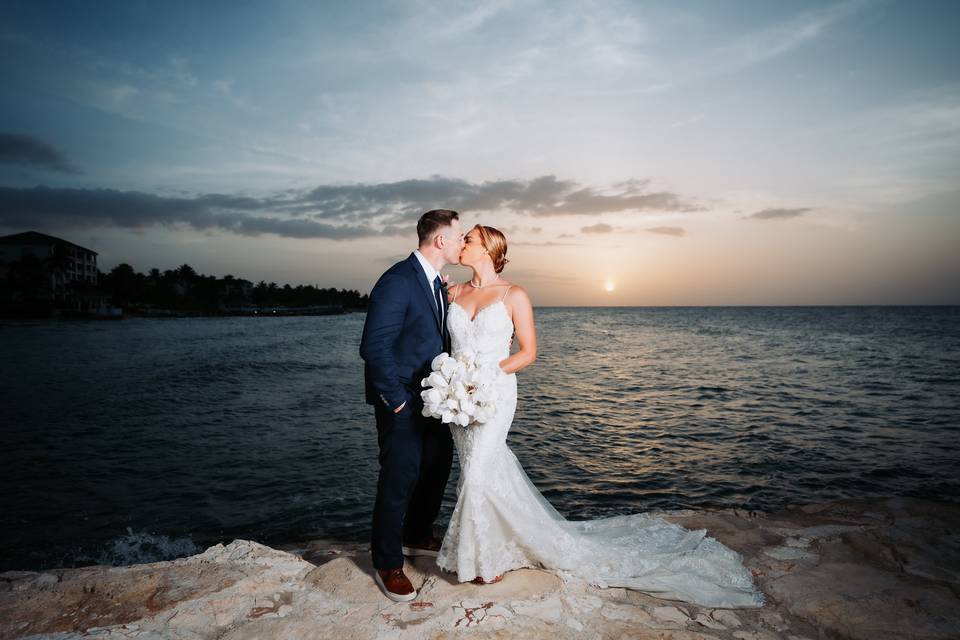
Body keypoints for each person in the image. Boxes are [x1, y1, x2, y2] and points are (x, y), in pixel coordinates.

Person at [434, 224, 766, 608]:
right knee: (479, 469)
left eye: (469, 240)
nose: (462, 244)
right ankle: (491, 548)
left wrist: (485, 375)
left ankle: (483, 560)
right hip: (459, 398)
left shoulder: (514, 294)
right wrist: (455, 382)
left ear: (488, 249)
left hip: (495, 392)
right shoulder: (453, 292)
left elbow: (528, 352)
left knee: (476, 474)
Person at [359, 209, 465, 602]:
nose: (462, 242)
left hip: (435, 400)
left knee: (437, 469)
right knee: (399, 478)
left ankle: (417, 535)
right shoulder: (397, 281)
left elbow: (434, 339)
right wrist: (398, 403)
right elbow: (373, 348)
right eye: (459, 236)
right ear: (440, 241)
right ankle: (387, 562)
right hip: (403, 401)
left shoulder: (435, 282)